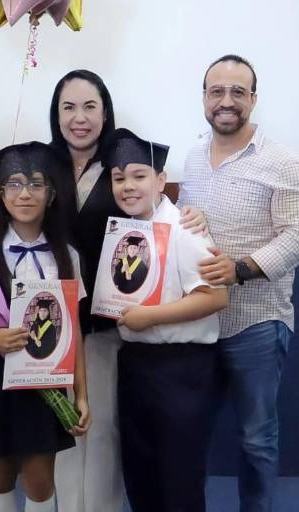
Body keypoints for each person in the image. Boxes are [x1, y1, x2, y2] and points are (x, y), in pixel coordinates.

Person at [48, 70, 208, 512]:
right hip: (54, 321)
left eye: (90, 106)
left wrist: (195, 215)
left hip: (112, 322)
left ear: (106, 112)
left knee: (103, 430)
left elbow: (159, 215)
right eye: (68, 107)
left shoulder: (121, 162)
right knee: (60, 426)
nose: (79, 118)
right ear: (55, 114)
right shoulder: (45, 165)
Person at [178, 55, 299, 512]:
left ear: (253, 100)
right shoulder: (193, 157)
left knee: (257, 438)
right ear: (204, 98)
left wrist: (240, 269)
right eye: (216, 91)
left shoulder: (284, 162)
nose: (226, 101)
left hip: (257, 322)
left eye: (238, 92)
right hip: (198, 322)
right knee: (191, 431)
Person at [0, 142, 91, 512]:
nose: (24, 193)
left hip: (44, 381)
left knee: (40, 480)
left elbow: (72, 331)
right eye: (13, 184)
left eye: (35, 184)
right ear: (0, 194)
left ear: (51, 193)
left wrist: (81, 394)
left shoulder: (67, 255)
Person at [100, 128, 228, 512]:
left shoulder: (185, 230)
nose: (128, 187)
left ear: (160, 180)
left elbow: (215, 295)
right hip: (137, 365)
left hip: (183, 368)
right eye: (119, 178)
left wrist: (150, 317)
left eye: (139, 176)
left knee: (179, 477)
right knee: (141, 473)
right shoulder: (124, 232)